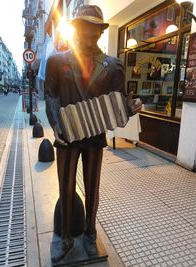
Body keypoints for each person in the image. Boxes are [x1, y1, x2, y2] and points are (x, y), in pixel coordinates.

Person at [45, 5, 142, 263]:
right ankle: (65, 237)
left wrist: (131, 108)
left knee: (92, 186)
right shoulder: (56, 61)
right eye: (84, 32)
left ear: (100, 32)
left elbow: (118, 104)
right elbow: (51, 95)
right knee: (65, 186)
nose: (90, 39)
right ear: (75, 30)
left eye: (94, 33)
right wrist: (56, 124)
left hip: (95, 135)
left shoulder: (113, 66)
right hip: (67, 134)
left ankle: (89, 233)